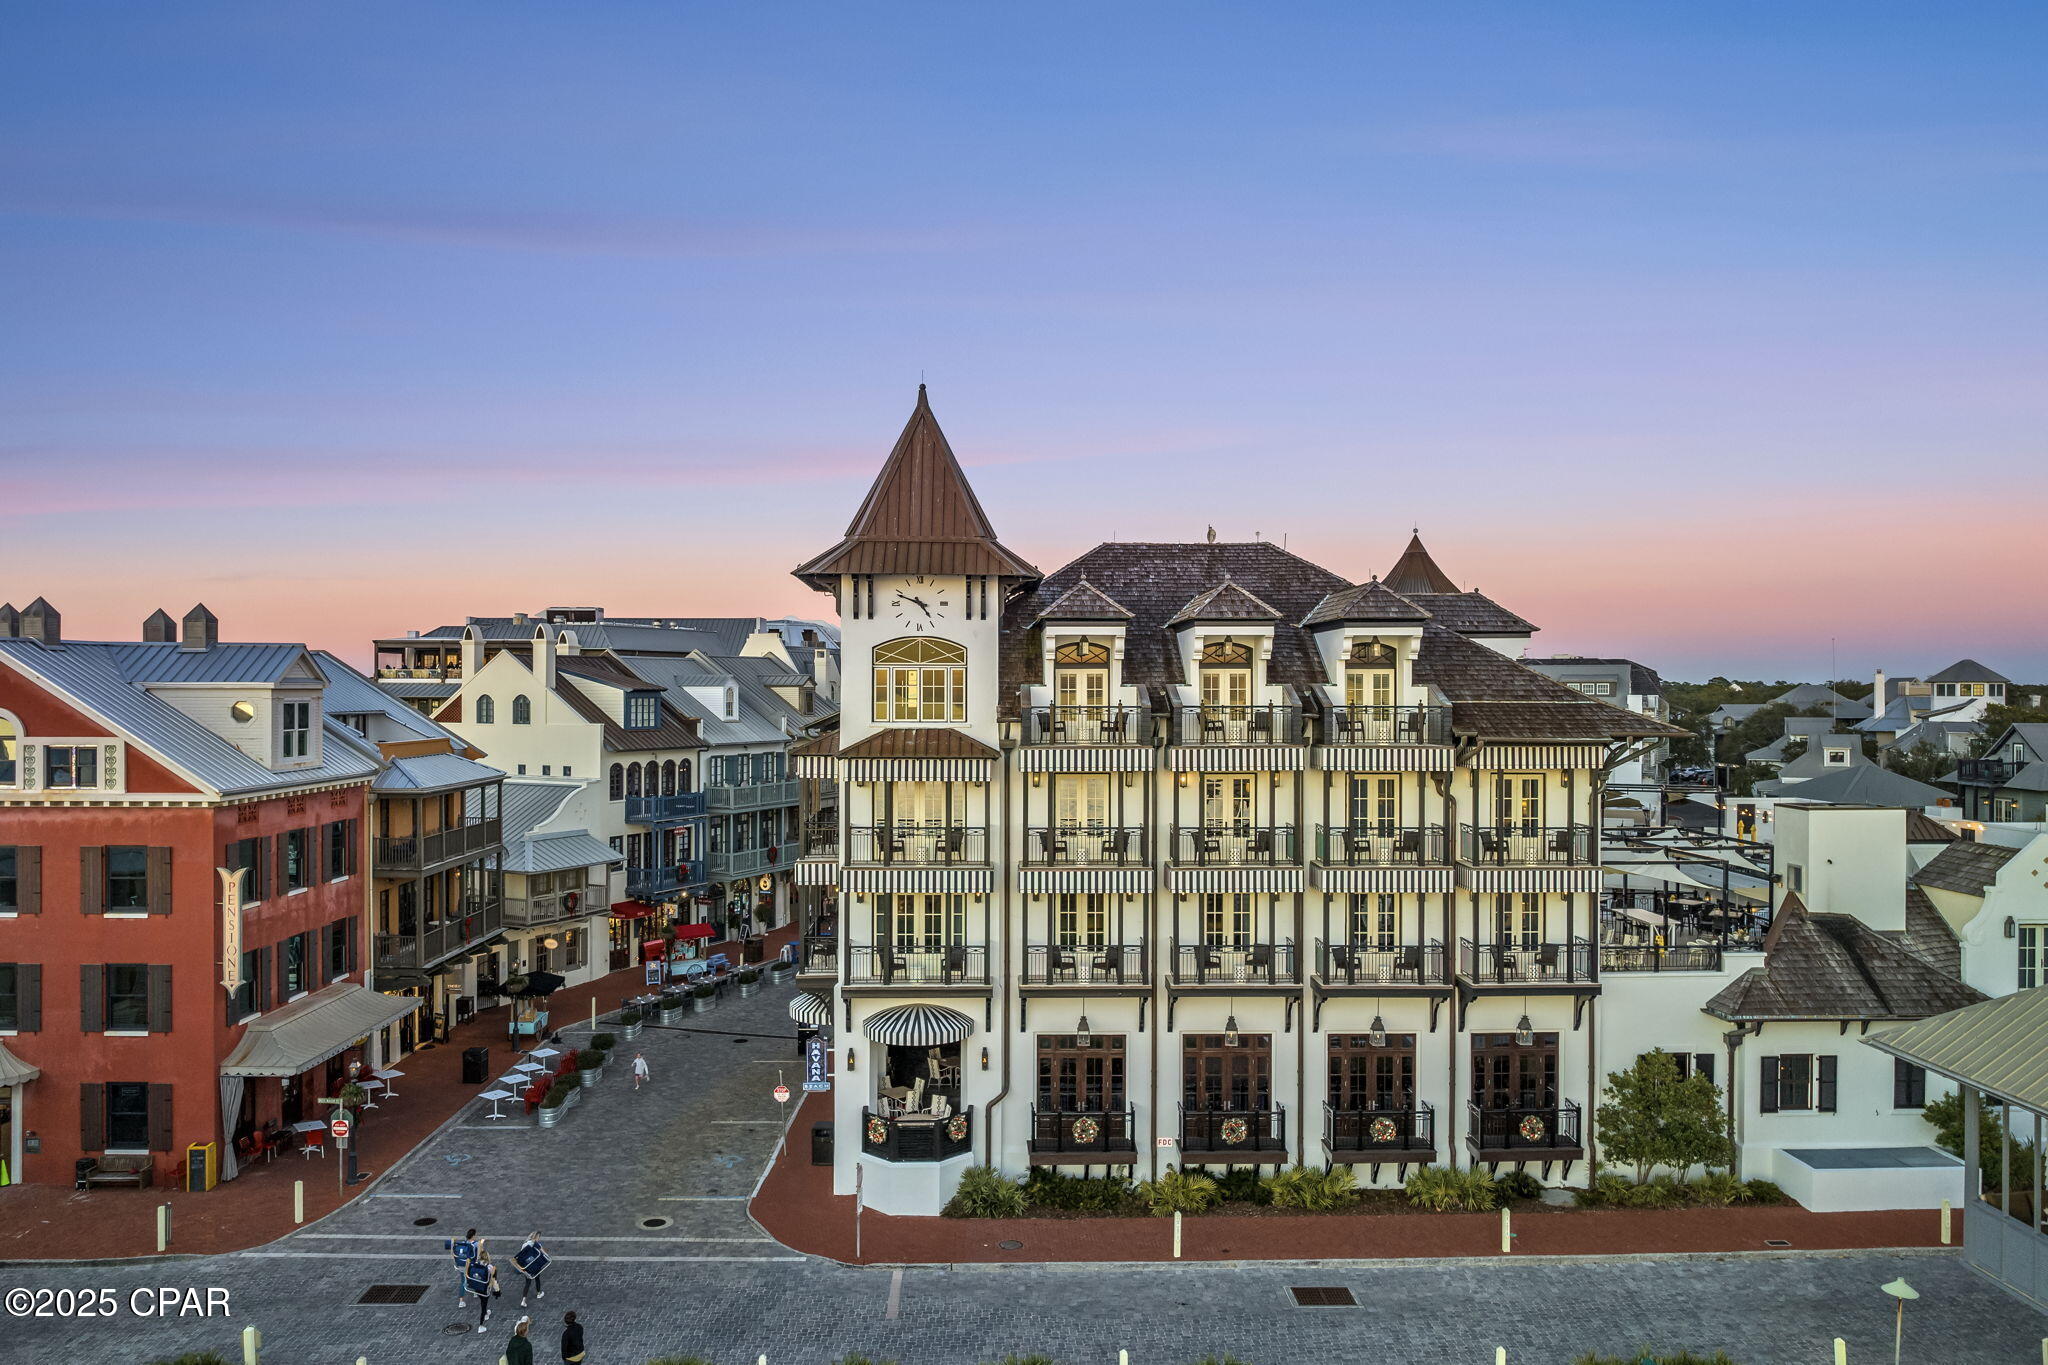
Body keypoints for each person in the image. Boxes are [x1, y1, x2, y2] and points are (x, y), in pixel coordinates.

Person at [467, 1249, 502, 1332]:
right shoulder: (490, 1267)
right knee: (483, 1305)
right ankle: (481, 1325)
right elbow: (494, 1280)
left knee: (482, 1301)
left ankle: (486, 1313)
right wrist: (497, 1290)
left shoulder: (476, 1264)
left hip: (477, 1287)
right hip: (485, 1289)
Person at [514, 1231, 550, 1307]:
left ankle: (523, 1300)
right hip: (535, 1265)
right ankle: (539, 1293)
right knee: (537, 1278)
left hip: (526, 1266)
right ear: (537, 1237)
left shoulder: (524, 1244)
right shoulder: (537, 1244)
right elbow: (544, 1253)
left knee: (527, 1283)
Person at [449, 1228, 479, 1305]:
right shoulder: (475, 1244)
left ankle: (461, 1301)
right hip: (470, 1266)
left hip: (461, 1266)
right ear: (473, 1236)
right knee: (474, 1277)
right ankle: (475, 1291)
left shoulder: (462, 1243)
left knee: (463, 1282)